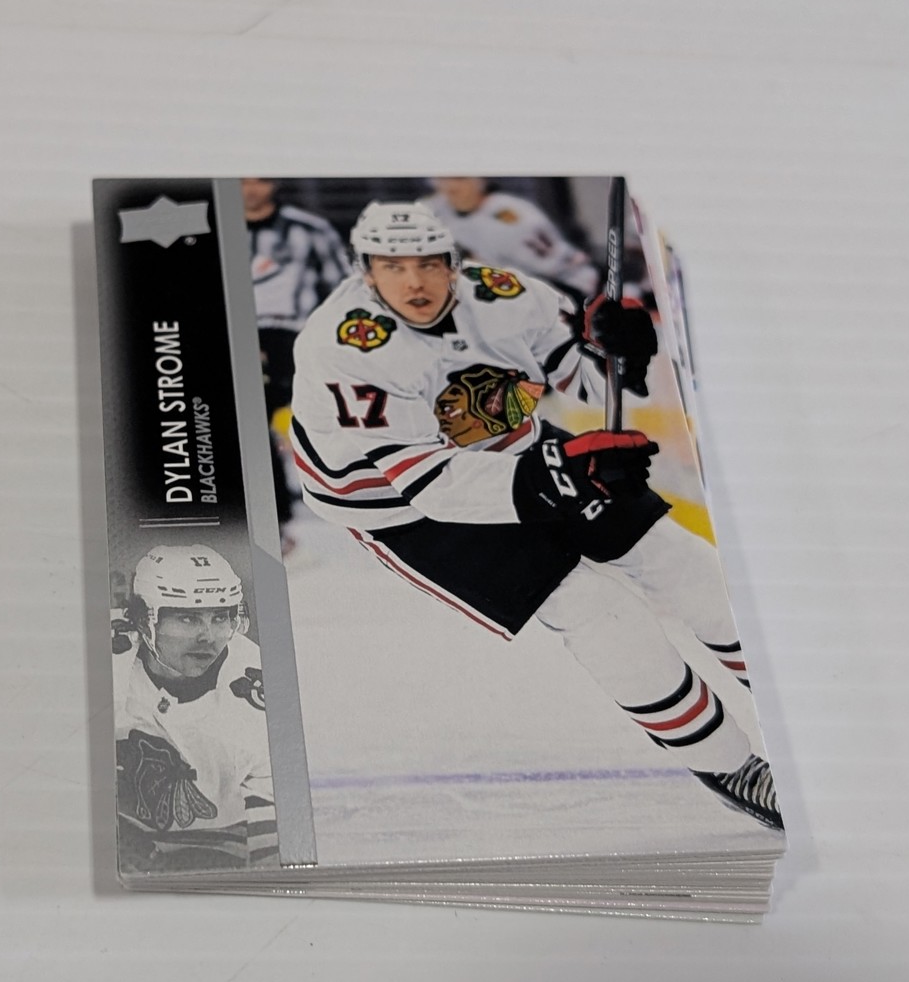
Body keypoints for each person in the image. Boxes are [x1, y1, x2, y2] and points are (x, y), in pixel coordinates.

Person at [288, 201, 782, 830]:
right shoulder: (344, 348)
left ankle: (794, 713)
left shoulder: (504, 296)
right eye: (393, 266)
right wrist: (561, 473)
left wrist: (621, 352)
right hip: (398, 505)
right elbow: (430, 487)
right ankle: (728, 766)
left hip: (514, 449)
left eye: (428, 264)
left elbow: (587, 379)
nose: (413, 282)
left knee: (681, 562)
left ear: (454, 263)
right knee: (598, 609)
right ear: (365, 271)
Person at [113, 544, 278, 871]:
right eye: (188, 618)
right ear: (144, 620)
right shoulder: (103, 661)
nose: (208, 637)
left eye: (220, 617)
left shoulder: (258, 699)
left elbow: (271, 848)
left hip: (223, 843)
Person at [241, 178, 352, 552]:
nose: (250, 188)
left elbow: (342, 288)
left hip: (295, 338)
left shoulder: (308, 228)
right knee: (250, 433)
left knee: (317, 421)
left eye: (259, 179)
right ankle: (273, 523)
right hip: (235, 338)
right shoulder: (212, 227)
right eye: (242, 180)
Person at [426, 177, 600, 297]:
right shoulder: (440, 208)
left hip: (568, 293)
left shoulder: (511, 218)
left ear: (481, 180)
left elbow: (569, 271)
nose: (451, 188)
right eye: (442, 180)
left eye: (459, 179)